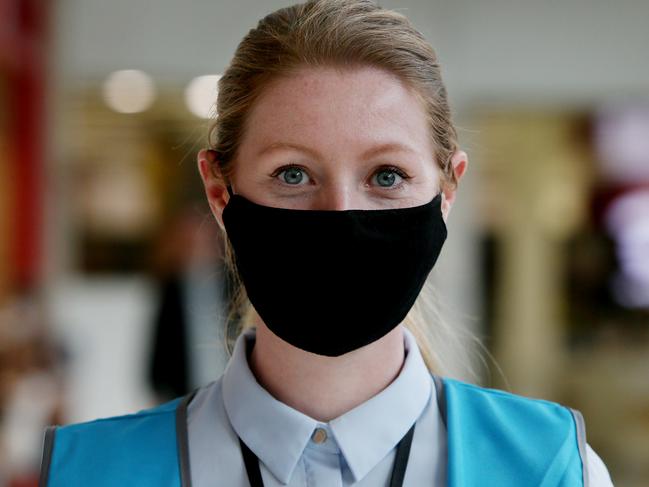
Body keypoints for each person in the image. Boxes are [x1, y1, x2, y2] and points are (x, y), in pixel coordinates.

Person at [39, 1, 615, 486]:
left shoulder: (555, 467)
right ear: (219, 191)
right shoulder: (84, 472)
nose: (342, 215)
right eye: (293, 175)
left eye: (386, 176)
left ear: (446, 190)